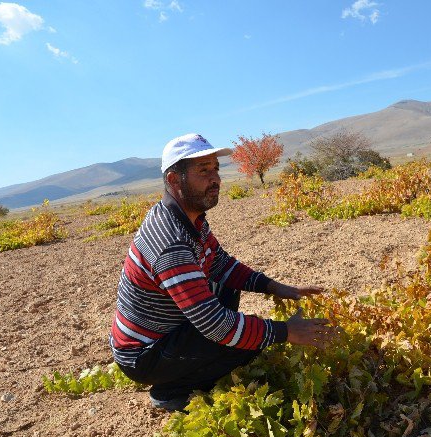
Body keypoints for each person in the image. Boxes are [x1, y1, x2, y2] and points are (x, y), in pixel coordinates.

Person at [109, 133, 334, 411]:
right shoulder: (171, 243)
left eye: (215, 169)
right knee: (243, 345)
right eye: (203, 171)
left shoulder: (190, 220)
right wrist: (286, 331)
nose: (215, 179)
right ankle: (171, 391)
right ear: (173, 180)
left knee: (228, 290)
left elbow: (220, 264)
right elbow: (216, 325)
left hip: (167, 331)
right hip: (144, 355)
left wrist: (275, 287)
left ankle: (194, 364)